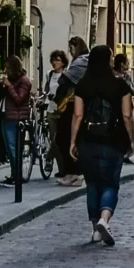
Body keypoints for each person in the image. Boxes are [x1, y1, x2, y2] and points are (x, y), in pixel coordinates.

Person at [68, 45, 134, 246]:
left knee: (93, 185)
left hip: (88, 141)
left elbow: (78, 115)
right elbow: (126, 115)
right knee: (110, 184)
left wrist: (72, 141)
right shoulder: (121, 86)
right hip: (113, 140)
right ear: (108, 61)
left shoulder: (82, 85)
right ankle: (104, 220)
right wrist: (131, 140)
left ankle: (95, 228)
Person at [44, 50, 83, 187]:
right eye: (54, 60)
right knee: (55, 138)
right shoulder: (49, 75)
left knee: (59, 140)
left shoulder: (68, 75)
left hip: (62, 110)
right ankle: (63, 170)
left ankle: (56, 164)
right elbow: (47, 90)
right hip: (51, 109)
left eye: (58, 60)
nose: (55, 62)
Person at [0, 56, 33, 186]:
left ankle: (17, 176)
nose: (6, 70)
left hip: (17, 118)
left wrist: (9, 86)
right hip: (7, 116)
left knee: (14, 148)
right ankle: (14, 174)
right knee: (9, 148)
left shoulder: (24, 81)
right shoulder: (9, 80)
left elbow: (19, 99)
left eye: (8, 67)